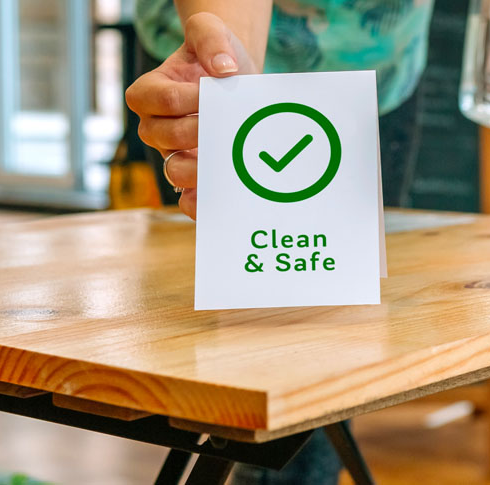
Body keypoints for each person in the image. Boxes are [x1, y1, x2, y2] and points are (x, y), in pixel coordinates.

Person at [126, 1, 435, 482]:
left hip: (371, 71)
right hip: (201, 87)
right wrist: (233, 80)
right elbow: (223, 55)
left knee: (327, 360)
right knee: (226, 350)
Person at [126, 0, 434, 219]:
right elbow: (223, 59)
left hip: (375, 58)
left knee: (356, 273)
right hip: (199, 66)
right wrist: (231, 80)